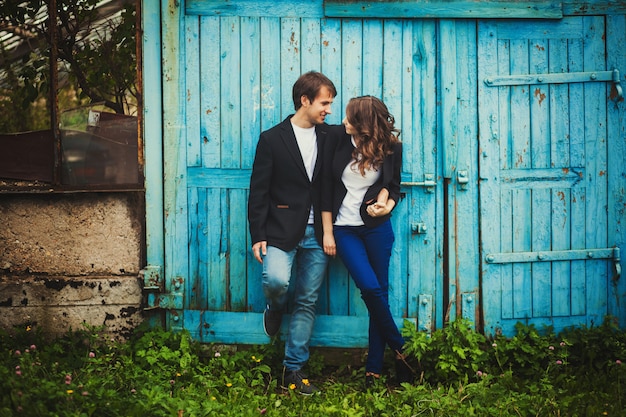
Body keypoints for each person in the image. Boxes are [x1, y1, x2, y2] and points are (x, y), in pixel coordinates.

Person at [248, 71, 337, 395]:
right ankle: (274, 308)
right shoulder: (272, 139)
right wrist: (259, 233)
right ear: (305, 100)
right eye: (324, 103)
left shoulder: (330, 136)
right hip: (281, 230)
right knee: (276, 282)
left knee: (308, 300)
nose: (328, 109)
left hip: (319, 233)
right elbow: (259, 191)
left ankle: (293, 368)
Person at [321, 95, 414, 388]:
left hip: (377, 228)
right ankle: (403, 350)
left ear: (365, 124)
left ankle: (373, 372)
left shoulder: (392, 148)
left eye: (350, 118)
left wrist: (386, 201)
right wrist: (327, 231)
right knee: (371, 289)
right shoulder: (337, 138)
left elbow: (393, 186)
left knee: (379, 296)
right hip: (344, 229)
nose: (343, 121)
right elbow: (323, 188)